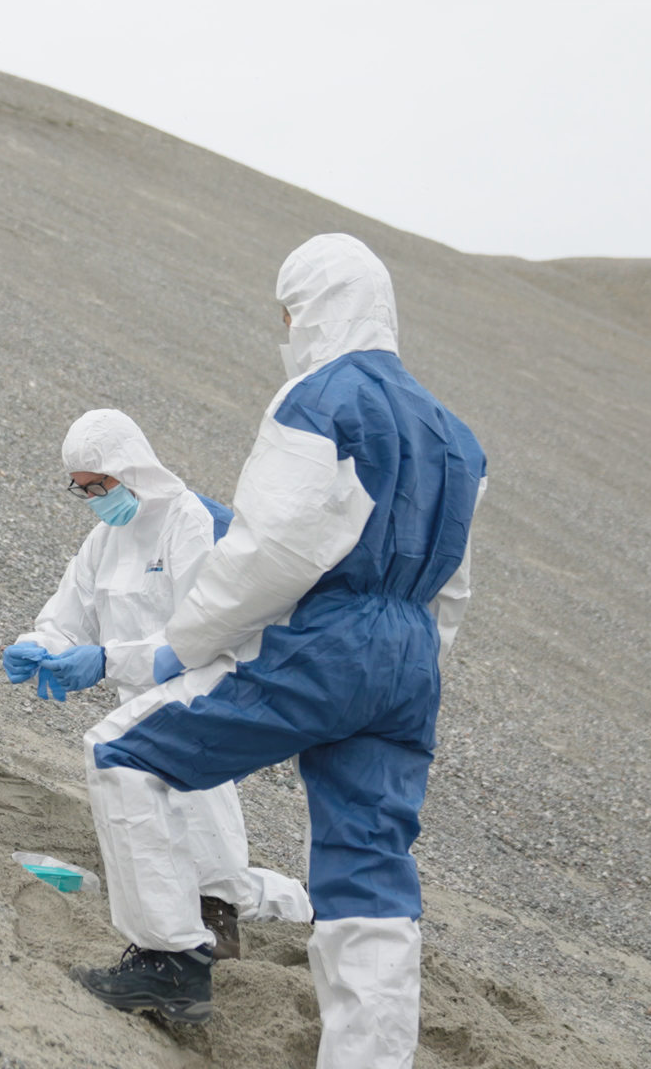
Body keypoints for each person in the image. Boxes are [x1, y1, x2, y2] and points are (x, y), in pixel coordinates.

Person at [69, 234, 487, 1067]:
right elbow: (455, 591)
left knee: (120, 750)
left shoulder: (320, 398)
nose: (286, 329)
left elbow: (271, 552)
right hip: (408, 661)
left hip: (325, 637)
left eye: (288, 312)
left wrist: (179, 649)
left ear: (311, 308)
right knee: (369, 871)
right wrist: (404, 666)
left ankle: (169, 959)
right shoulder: (456, 437)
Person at [2, 408, 311, 1004]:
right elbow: (66, 616)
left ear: (131, 468)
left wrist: (106, 658)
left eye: (101, 486)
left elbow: (194, 637)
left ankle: (222, 919)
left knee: (202, 820)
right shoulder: (103, 541)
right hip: (136, 702)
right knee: (161, 838)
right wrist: (36, 647)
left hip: (199, 693)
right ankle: (263, 908)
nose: (93, 499)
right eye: (83, 489)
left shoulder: (189, 522)